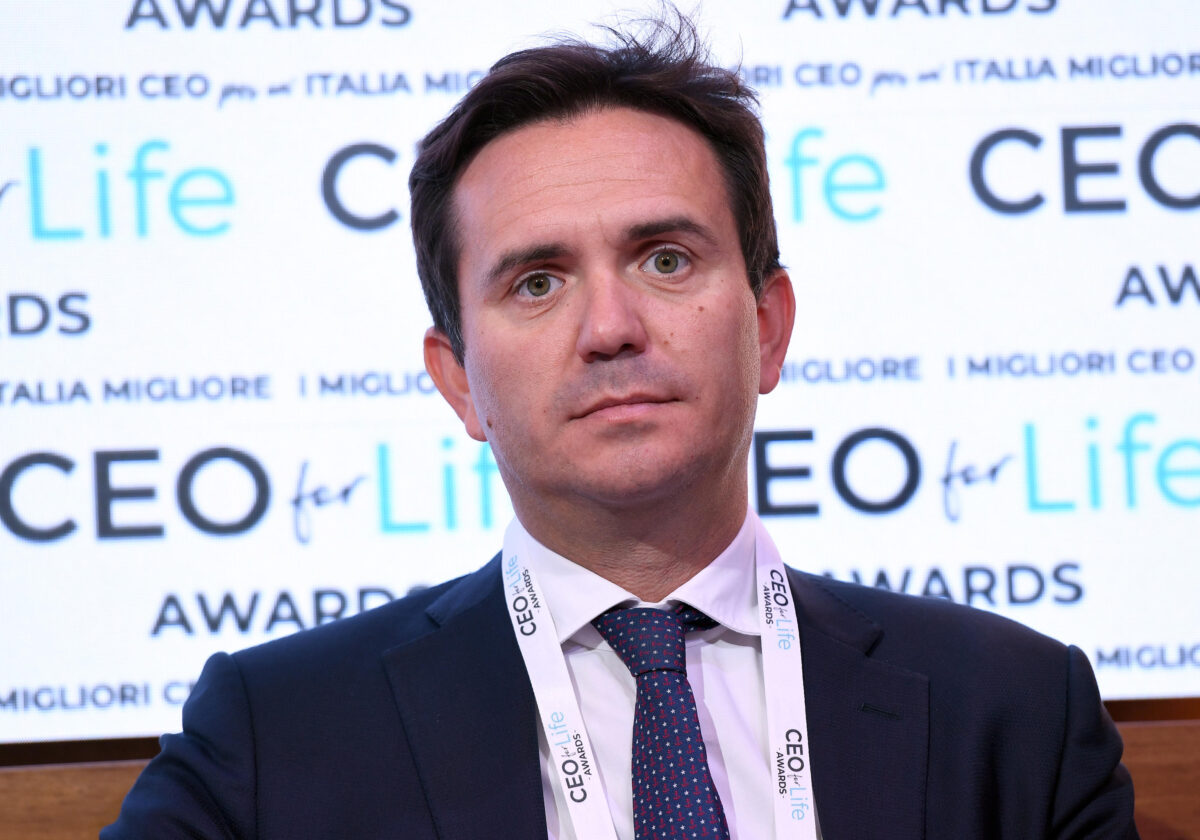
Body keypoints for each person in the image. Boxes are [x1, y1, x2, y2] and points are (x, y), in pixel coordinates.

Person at [104, 14, 1138, 840]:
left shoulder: (1013, 712)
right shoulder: (275, 733)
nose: (611, 328)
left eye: (665, 260)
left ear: (768, 328)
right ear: (458, 380)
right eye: (538, 281)